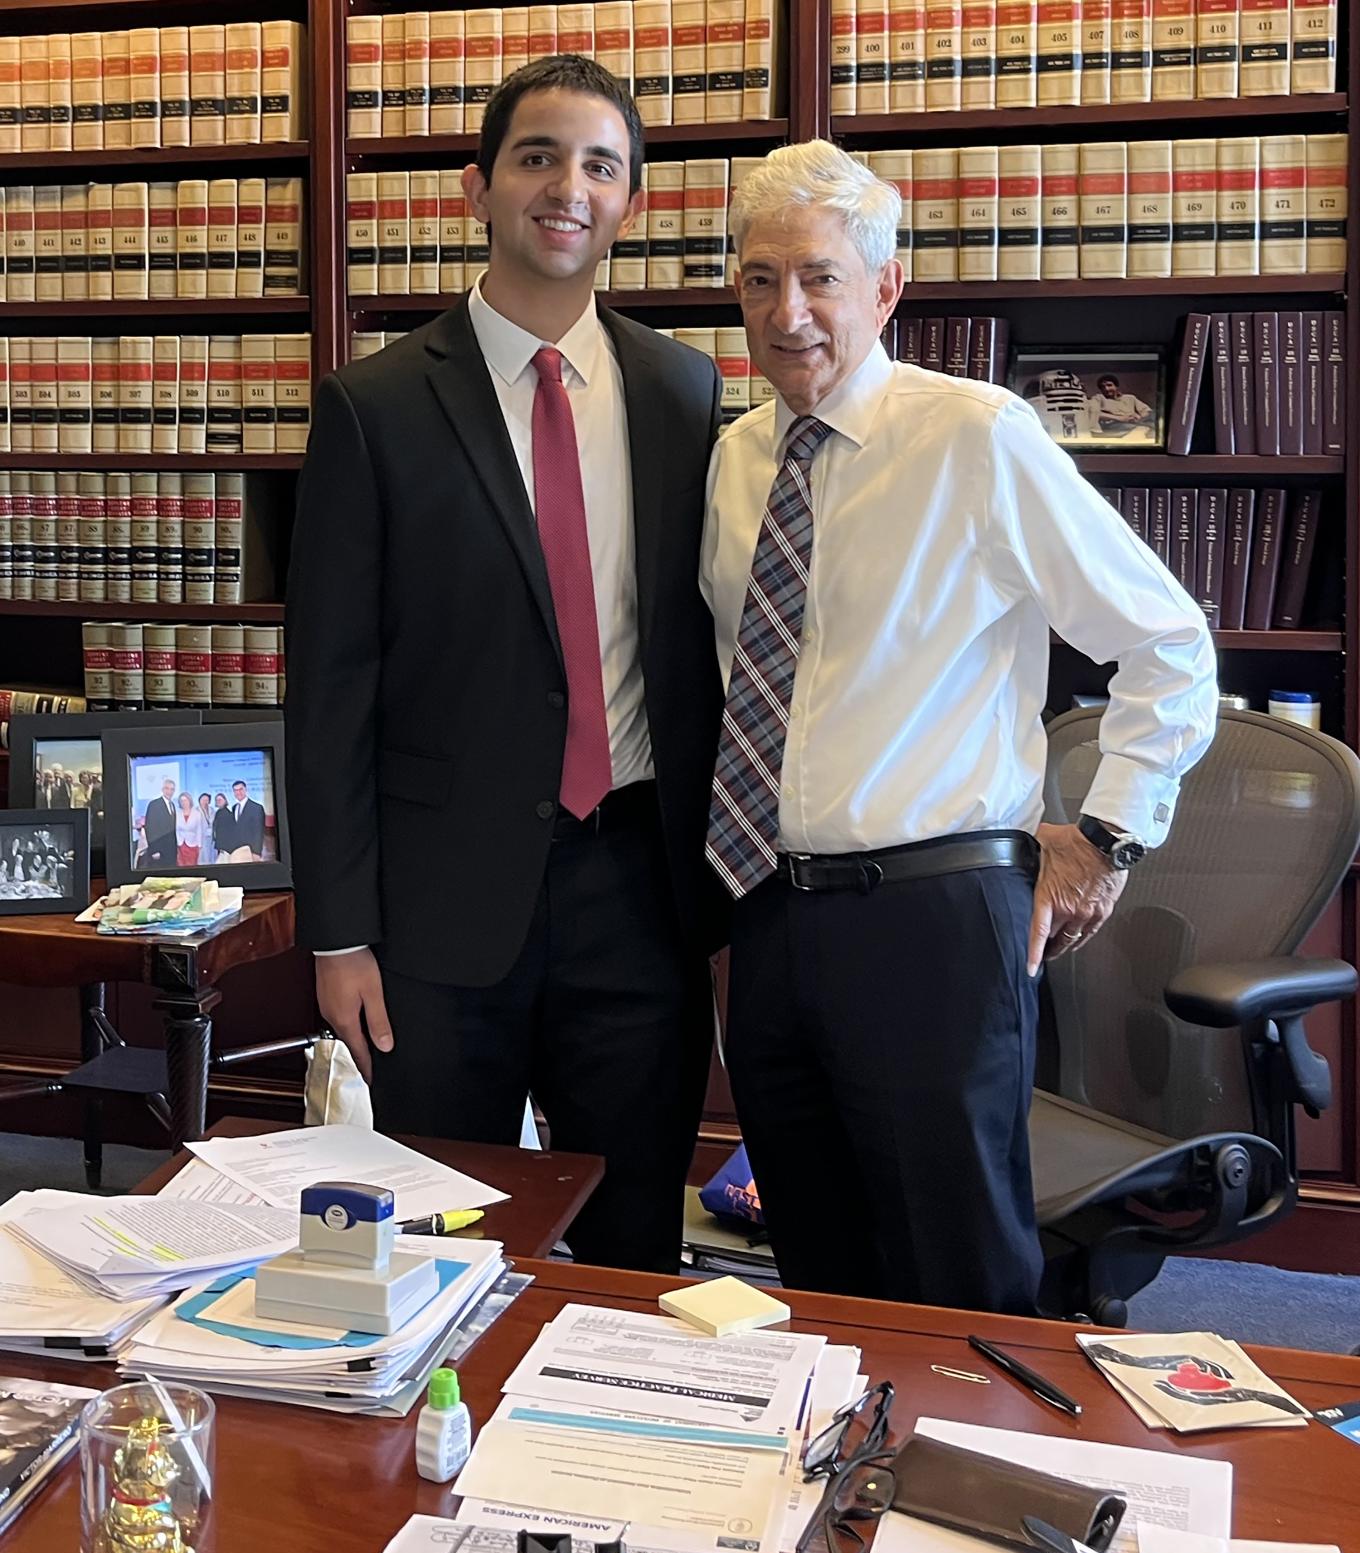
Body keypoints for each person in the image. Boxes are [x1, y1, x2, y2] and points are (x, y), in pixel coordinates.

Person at [701, 141, 1218, 1314]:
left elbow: (1169, 642)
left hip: (932, 915)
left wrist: (1106, 836)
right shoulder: (734, 460)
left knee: (959, 1274)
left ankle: (977, 1493)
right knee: (812, 1265)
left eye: (821, 278)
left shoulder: (975, 437)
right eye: (760, 279)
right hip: (770, 915)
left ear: (885, 289)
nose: (789, 313)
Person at [285, 54, 727, 1273]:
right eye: (538, 157)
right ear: (477, 188)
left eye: (600, 165)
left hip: (637, 893)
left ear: (628, 201)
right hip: (435, 916)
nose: (567, 187)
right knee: (440, 1246)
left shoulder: (685, 392)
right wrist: (338, 937)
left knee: (636, 1239)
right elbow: (327, 693)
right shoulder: (373, 407)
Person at [1087, 373, 1153, 437]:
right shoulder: (1098, 398)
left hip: (1134, 422)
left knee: (1154, 424)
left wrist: (1139, 417)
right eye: (1102, 387)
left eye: (1109, 385)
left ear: (1116, 386)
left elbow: (1147, 410)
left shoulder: (1130, 398)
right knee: (1139, 429)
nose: (1106, 389)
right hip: (1113, 425)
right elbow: (1094, 413)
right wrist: (1120, 418)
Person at [225, 780, 267, 860]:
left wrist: (256, 852)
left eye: (241, 789)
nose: (238, 792)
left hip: (250, 851)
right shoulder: (234, 808)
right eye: (235, 790)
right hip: (236, 851)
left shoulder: (256, 808)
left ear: (246, 790)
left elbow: (258, 832)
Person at [141, 779, 178, 867]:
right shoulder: (154, 804)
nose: (169, 791)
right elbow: (150, 828)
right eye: (167, 788)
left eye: (172, 789)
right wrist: (154, 849)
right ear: (162, 789)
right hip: (159, 851)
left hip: (171, 850)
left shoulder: (172, 805)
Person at [176, 791, 204, 865]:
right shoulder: (177, 813)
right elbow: (175, 830)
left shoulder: (197, 814)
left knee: (191, 866)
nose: (184, 802)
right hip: (180, 845)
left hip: (192, 845)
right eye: (181, 801)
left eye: (185, 800)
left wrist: (199, 845)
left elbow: (199, 830)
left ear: (190, 801)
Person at [197, 793, 216, 862]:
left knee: (211, 855)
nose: (205, 802)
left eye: (206, 800)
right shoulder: (196, 810)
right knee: (202, 856)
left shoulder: (212, 810)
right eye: (203, 800)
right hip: (201, 837)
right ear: (199, 800)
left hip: (211, 837)